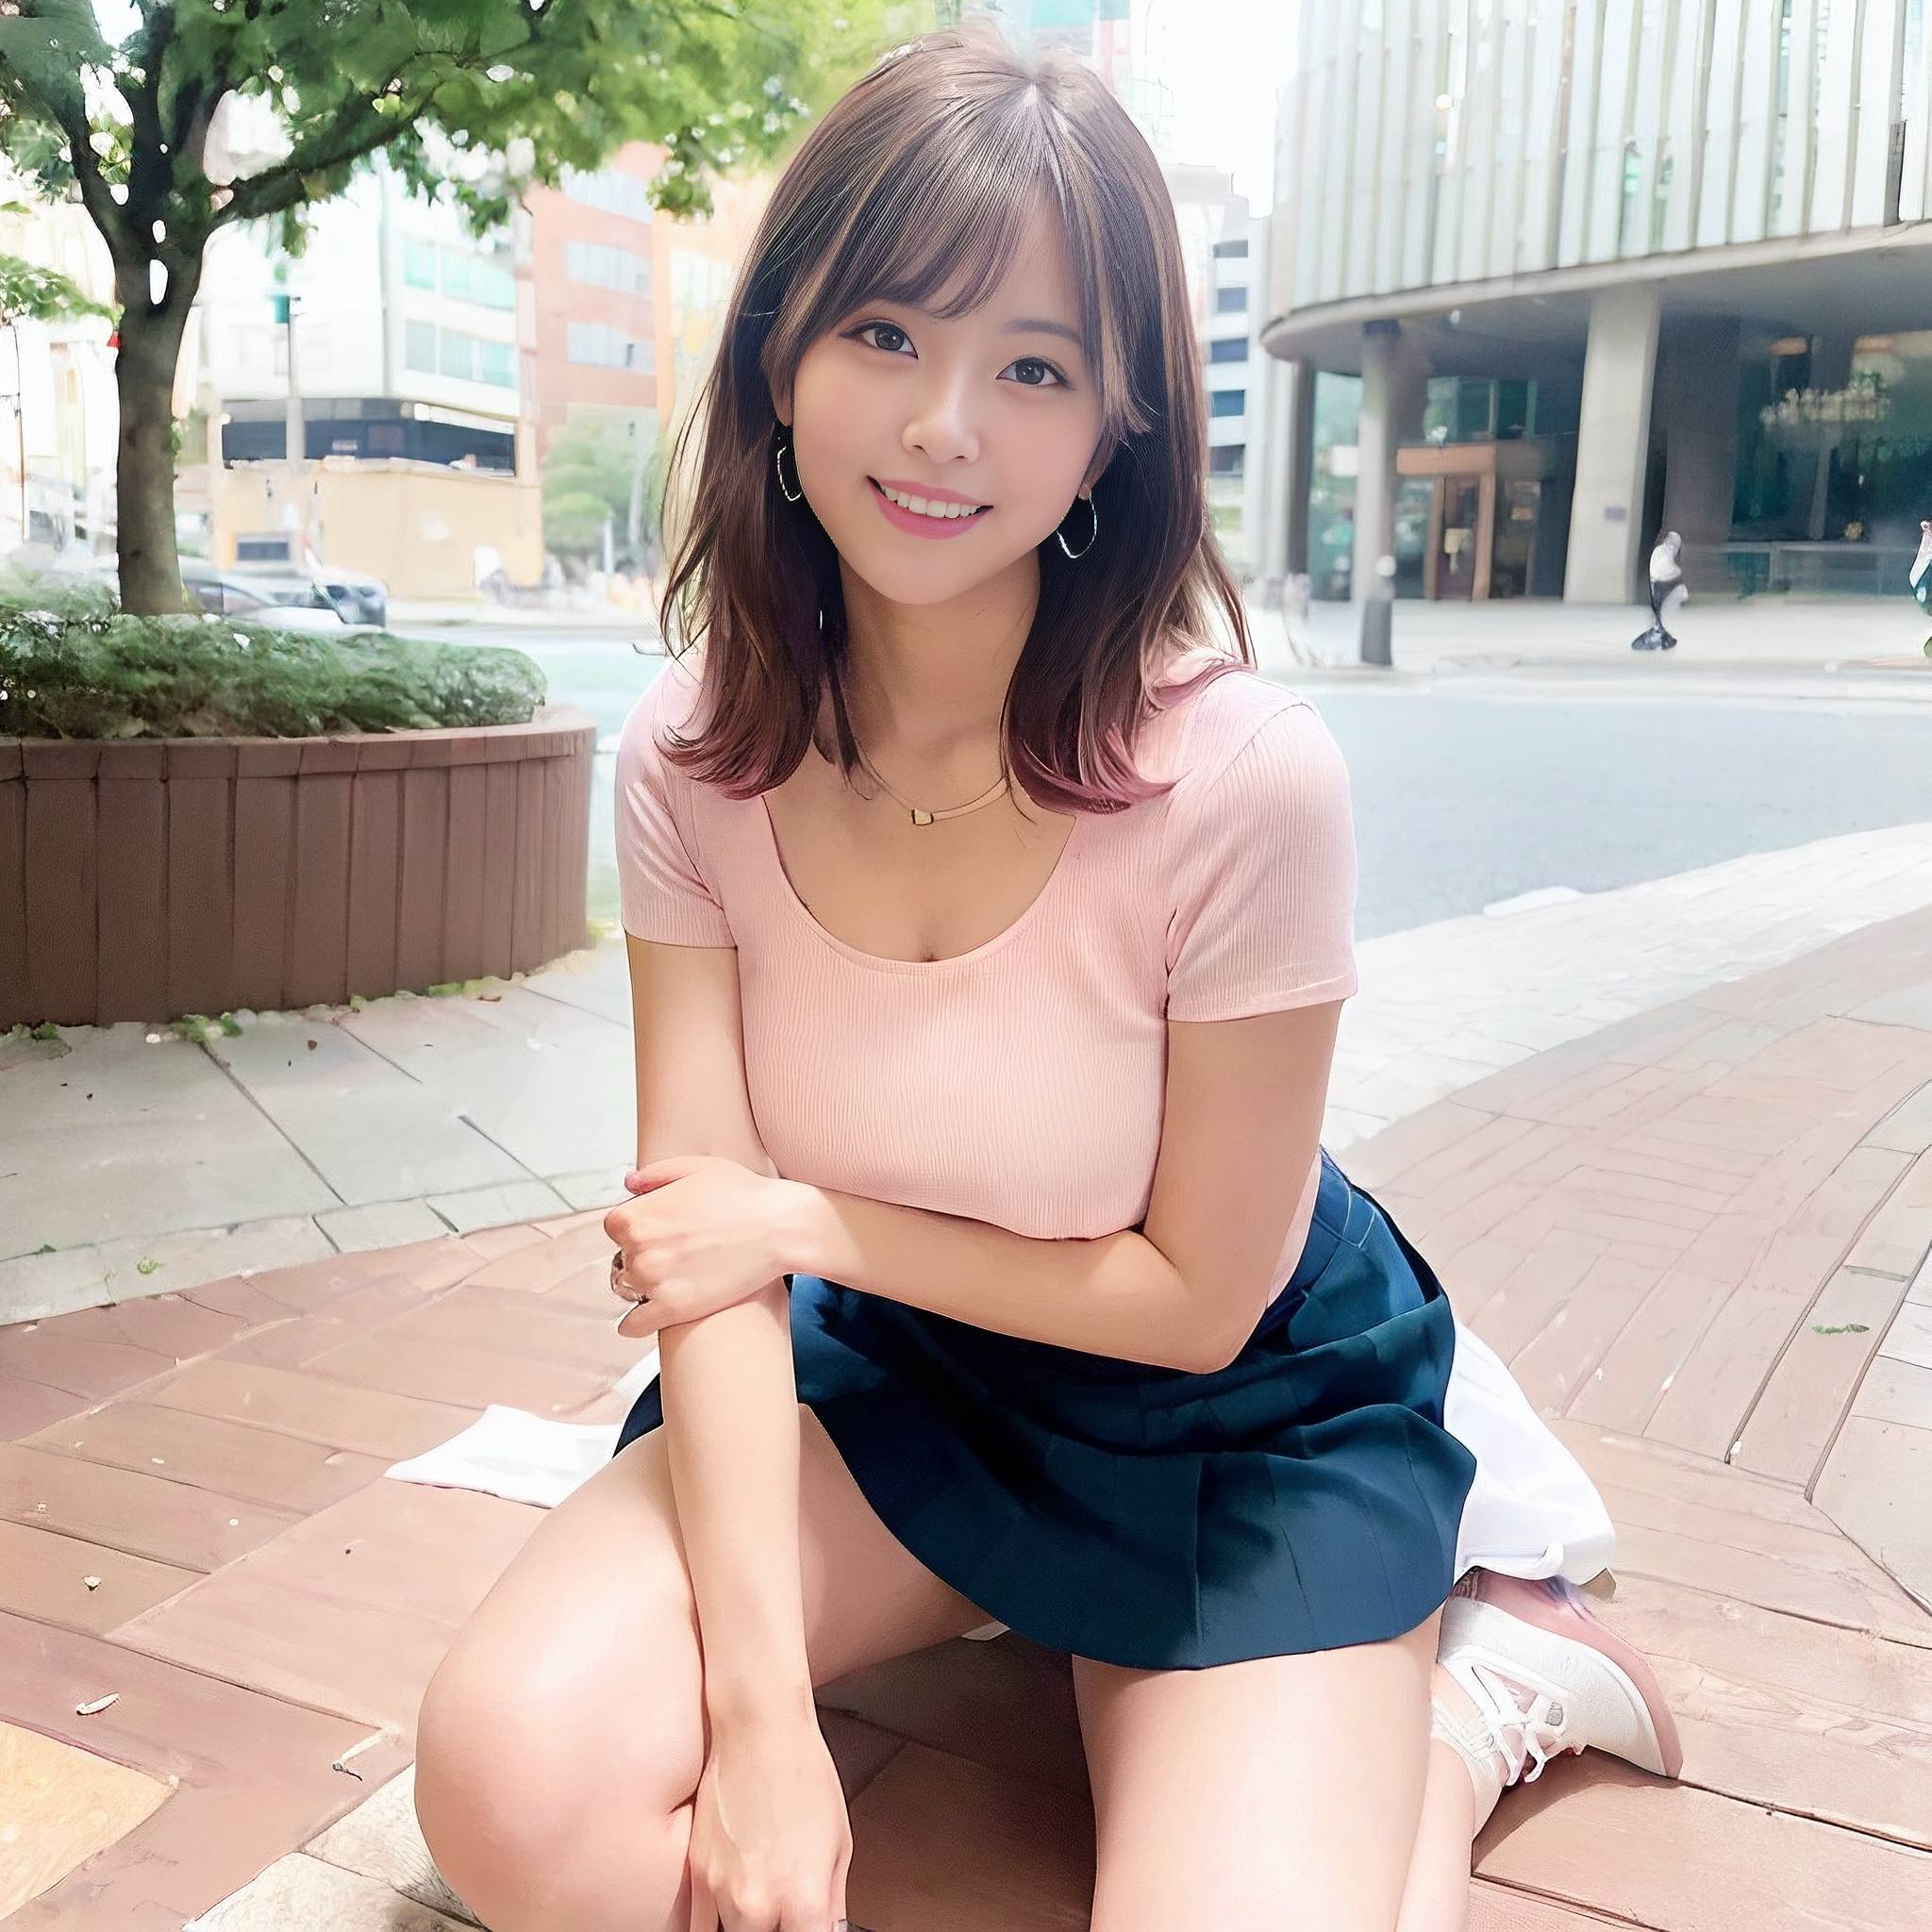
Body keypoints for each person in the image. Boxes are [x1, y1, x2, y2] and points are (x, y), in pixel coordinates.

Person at [413, 29, 1681, 1932]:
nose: (941, 428)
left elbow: (1187, 1301)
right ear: (779, 354)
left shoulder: (1242, 779)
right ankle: (996, 1602)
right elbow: (710, 1256)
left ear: (1117, 430)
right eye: (886, 336)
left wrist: (804, 1216)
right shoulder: (691, 753)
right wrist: (762, 1728)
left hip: (1239, 1414)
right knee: (505, 1787)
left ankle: (1467, 1707)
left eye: (1032, 369)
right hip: (908, 1374)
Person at [1632, 528, 1684, 650]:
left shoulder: (1667, 552)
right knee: (1658, 608)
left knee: (1659, 609)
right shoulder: (1661, 552)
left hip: (1662, 583)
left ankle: (1659, 631)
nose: (1674, 547)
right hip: (1658, 583)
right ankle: (1657, 631)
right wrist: (1675, 571)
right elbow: (1662, 569)